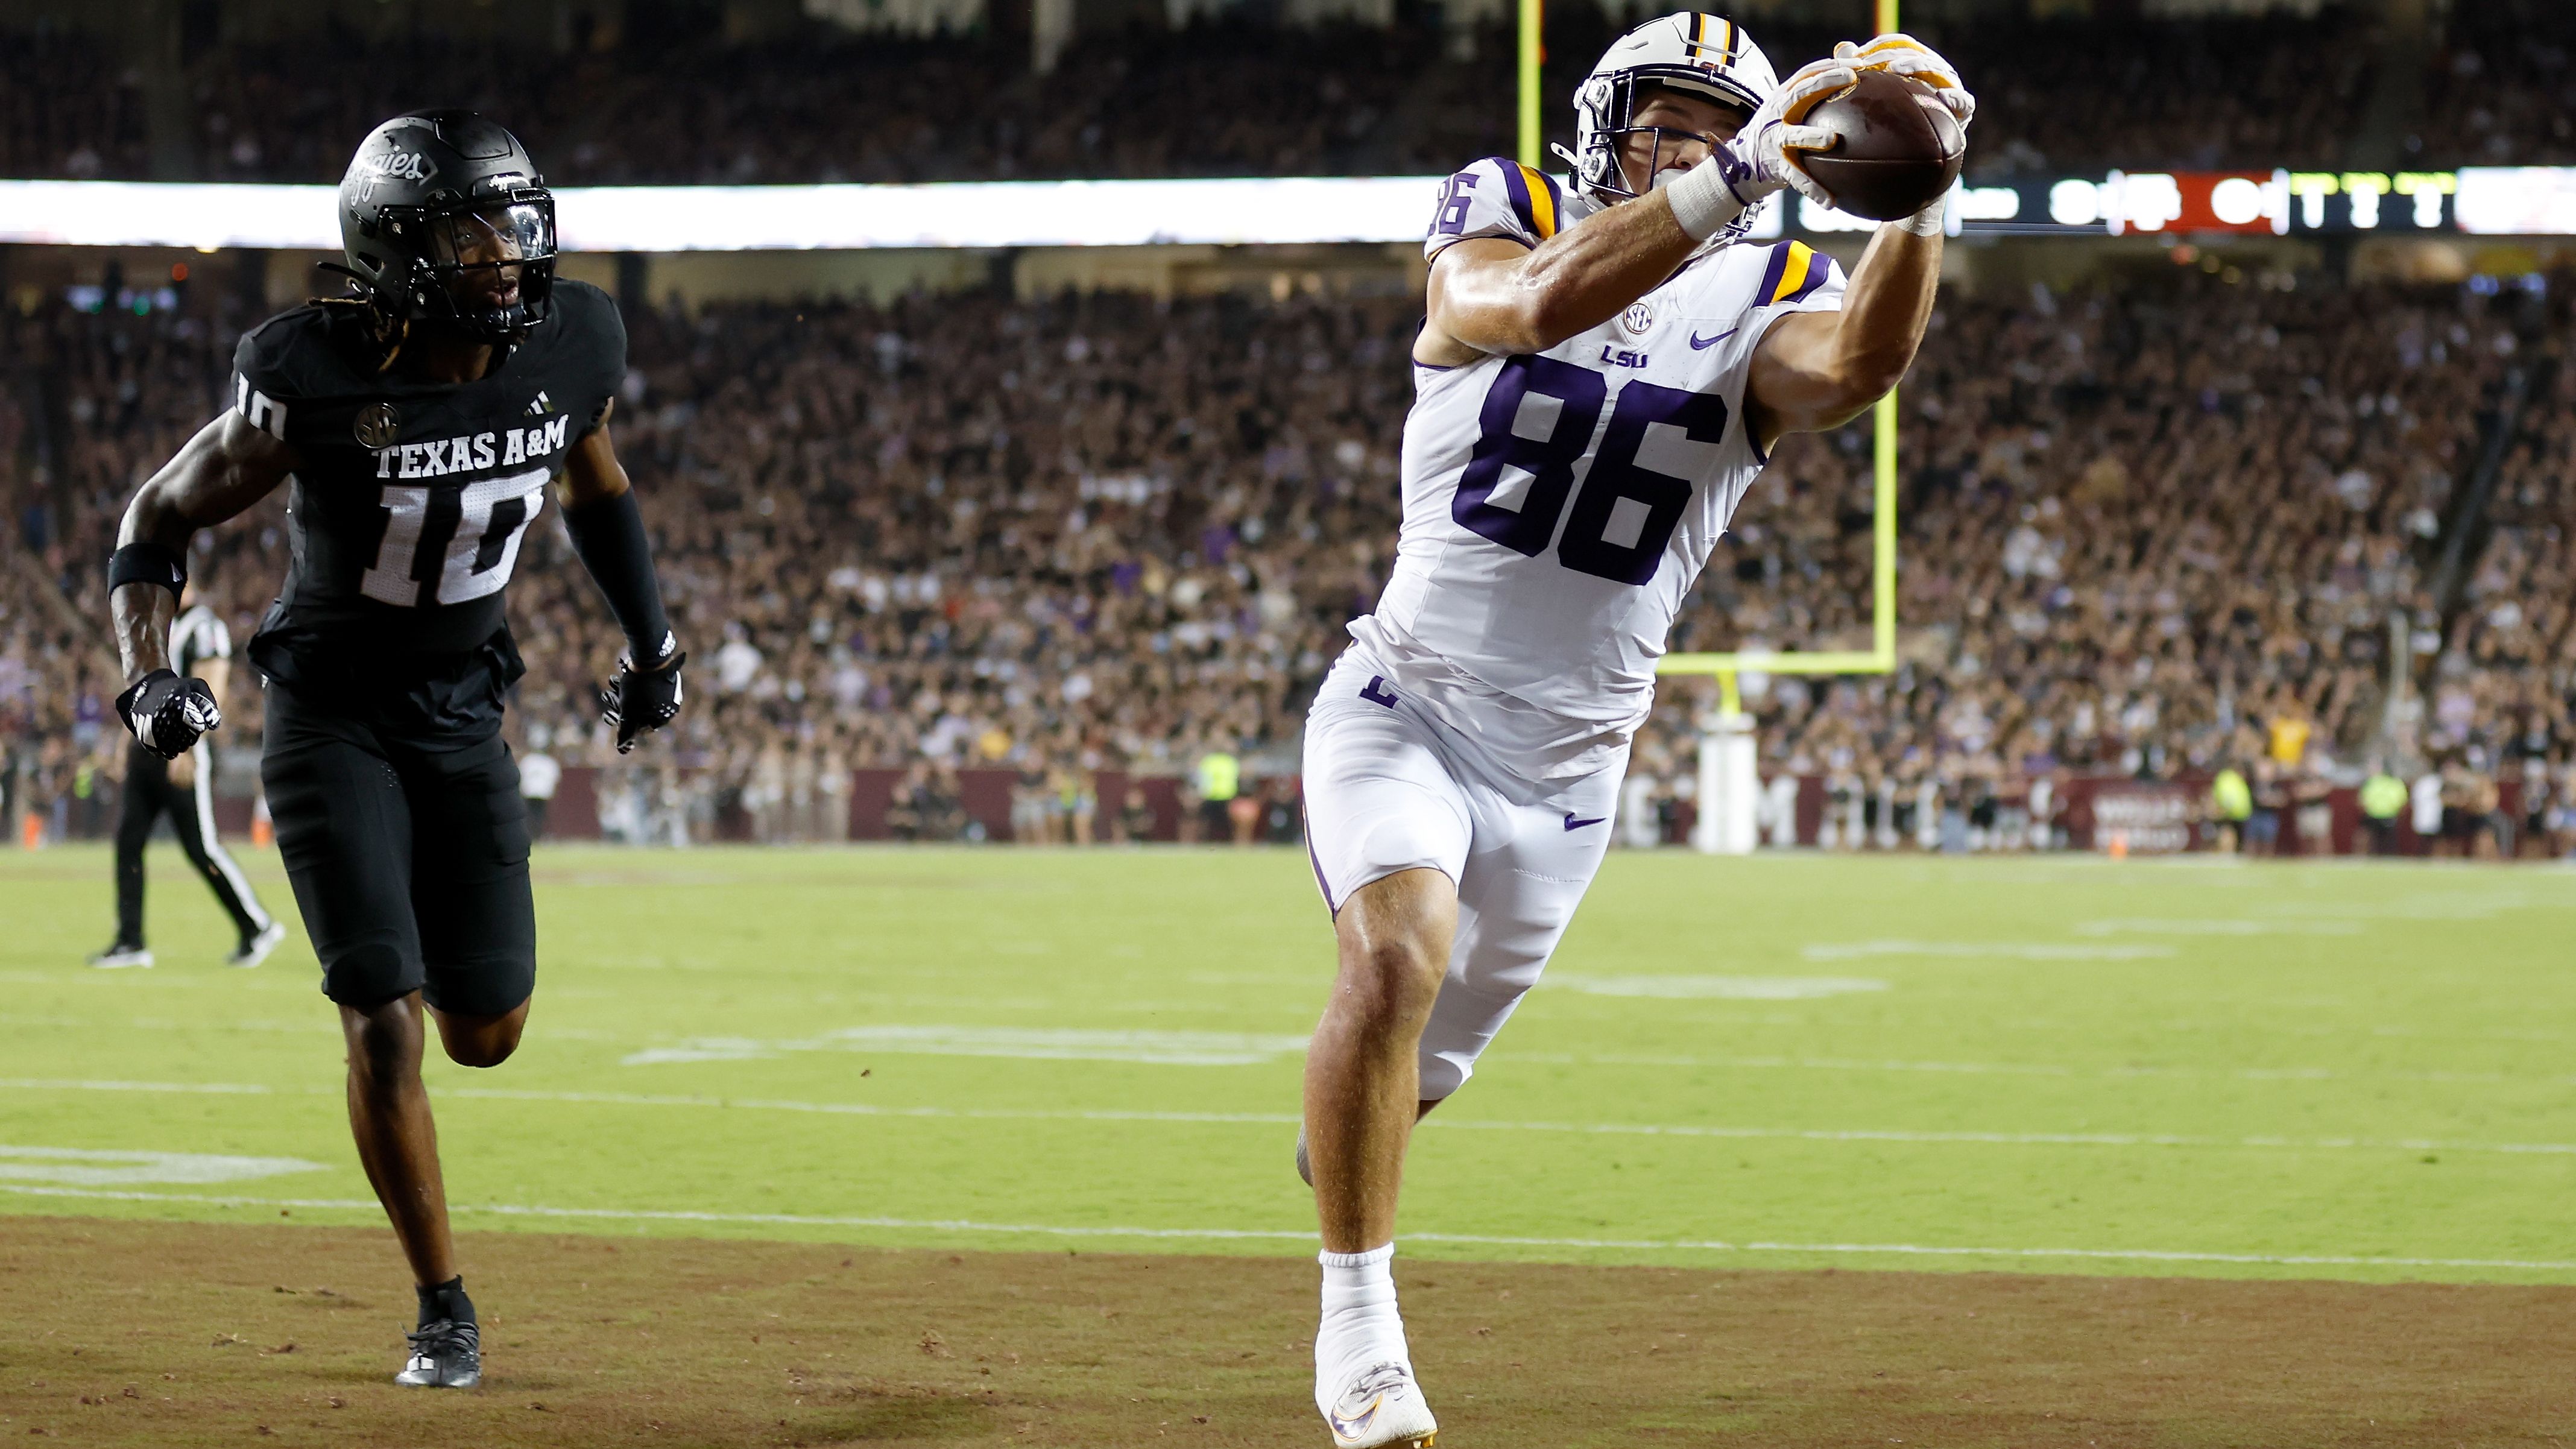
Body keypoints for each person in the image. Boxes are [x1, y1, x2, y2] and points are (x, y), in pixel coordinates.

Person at [1289, 18, 1970, 1445]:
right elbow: (1526, 307)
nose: (1683, 145)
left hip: (1571, 768)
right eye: (1662, 122)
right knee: (1394, 954)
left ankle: (1355, 1127)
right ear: (1605, 123)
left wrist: (1926, 195)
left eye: (1709, 124)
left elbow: (1852, 370)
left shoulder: (1766, 278)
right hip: (1406, 702)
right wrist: (1733, 173)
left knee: (1411, 1071)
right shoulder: (1511, 205)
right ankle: (1359, 1331)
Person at [103, 112, 684, 1393]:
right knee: (382, 1019)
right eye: (474, 231)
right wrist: (147, 671)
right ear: (393, 252)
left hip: (465, 708)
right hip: (332, 713)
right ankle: (444, 1303)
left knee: (486, 1030)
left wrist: (653, 643)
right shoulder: (309, 372)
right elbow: (156, 513)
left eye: (517, 219)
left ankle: (403, 935)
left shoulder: (575, 336)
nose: (510, 252)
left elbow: (593, 475)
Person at [89, 581, 285, 970]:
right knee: (128, 841)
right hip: (145, 751)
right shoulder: (155, 623)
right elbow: (137, 689)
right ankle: (131, 941)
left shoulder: (203, 626)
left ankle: (258, 926)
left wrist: (190, 747)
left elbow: (213, 684)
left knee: (202, 848)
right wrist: (121, 743)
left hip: (180, 751)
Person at [2358, 760, 2405, 856]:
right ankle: (2386, 857)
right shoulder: (2396, 782)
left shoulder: (2373, 781)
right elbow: (2402, 800)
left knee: (2372, 839)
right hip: (2388, 815)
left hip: (2375, 814)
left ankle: (2366, 856)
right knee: (2386, 840)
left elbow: (2363, 799)